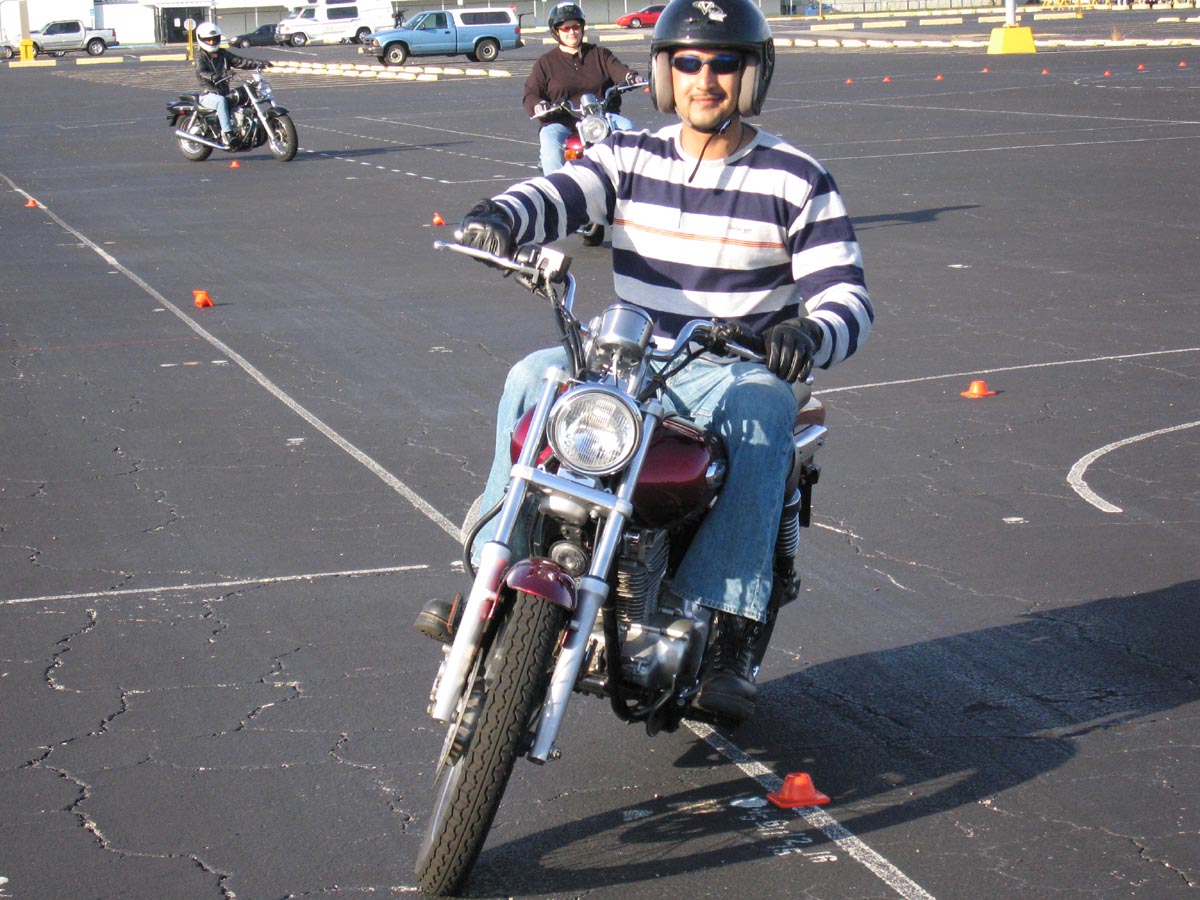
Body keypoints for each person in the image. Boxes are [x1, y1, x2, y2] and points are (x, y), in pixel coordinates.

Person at [424, 0, 874, 724]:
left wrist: (808, 333)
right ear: (665, 75)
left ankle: (728, 629)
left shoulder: (797, 177)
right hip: (629, 357)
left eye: (724, 63)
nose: (705, 79)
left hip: (733, 366)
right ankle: (490, 572)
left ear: (751, 76)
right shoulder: (629, 155)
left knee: (764, 407)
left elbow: (848, 297)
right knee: (531, 376)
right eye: (688, 63)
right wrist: (502, 216)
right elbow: (560, 193)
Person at [524, 2, 640, 174]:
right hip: (562, 122)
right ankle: (556, 187)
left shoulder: (600, 54)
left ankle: (636, 181)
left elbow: (619, 70)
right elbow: (531, 93)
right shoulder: (546, 63)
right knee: (550, 144)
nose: (572, 32)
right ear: (556, 32)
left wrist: (631, 77)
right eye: (565, 28)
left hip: (601, 118)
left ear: (582, 27)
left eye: (576, 26)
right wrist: (538, 104)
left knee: (629, 131)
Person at [194, 22, 266, 148]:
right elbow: (200, 71)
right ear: (201, 39)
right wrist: (212, 76)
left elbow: (239, 61)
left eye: (214, 39)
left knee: (243, 96)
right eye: (208, 40)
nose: (211, 42)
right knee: (220, 101)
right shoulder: (200, 56)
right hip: (208, 93)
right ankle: (227, 134)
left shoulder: (222, 53)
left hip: (223, 91)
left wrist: (259, 63)